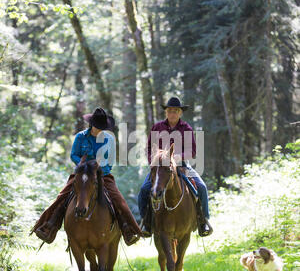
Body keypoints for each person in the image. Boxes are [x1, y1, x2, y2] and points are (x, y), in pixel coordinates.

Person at [31, 108, 142, 246]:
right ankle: (47, 227)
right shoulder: (80, 137)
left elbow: (110, 161)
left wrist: (99, 169)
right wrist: (82, 165)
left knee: (119, 200)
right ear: (92, 125)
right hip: (82, 174)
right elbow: (74, 154)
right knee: (62, 197)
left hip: (103, 175)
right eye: (98, 127)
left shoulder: (109, 140)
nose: (100, 130)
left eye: (103, 128)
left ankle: (129, 230)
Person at [138, 97, 213, 237]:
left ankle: (203, 221)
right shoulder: (157, 127)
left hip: (182, 166)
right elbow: (148, 148)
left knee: (201, 187)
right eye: (170, 111)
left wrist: (178, 156)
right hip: (160, 167)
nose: (172, 113)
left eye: (176, 111)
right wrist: (153, 162)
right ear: (166, 112)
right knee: (144, 190)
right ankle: (146, 223)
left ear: (180, 113)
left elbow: (193, 151)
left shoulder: (186, 128)